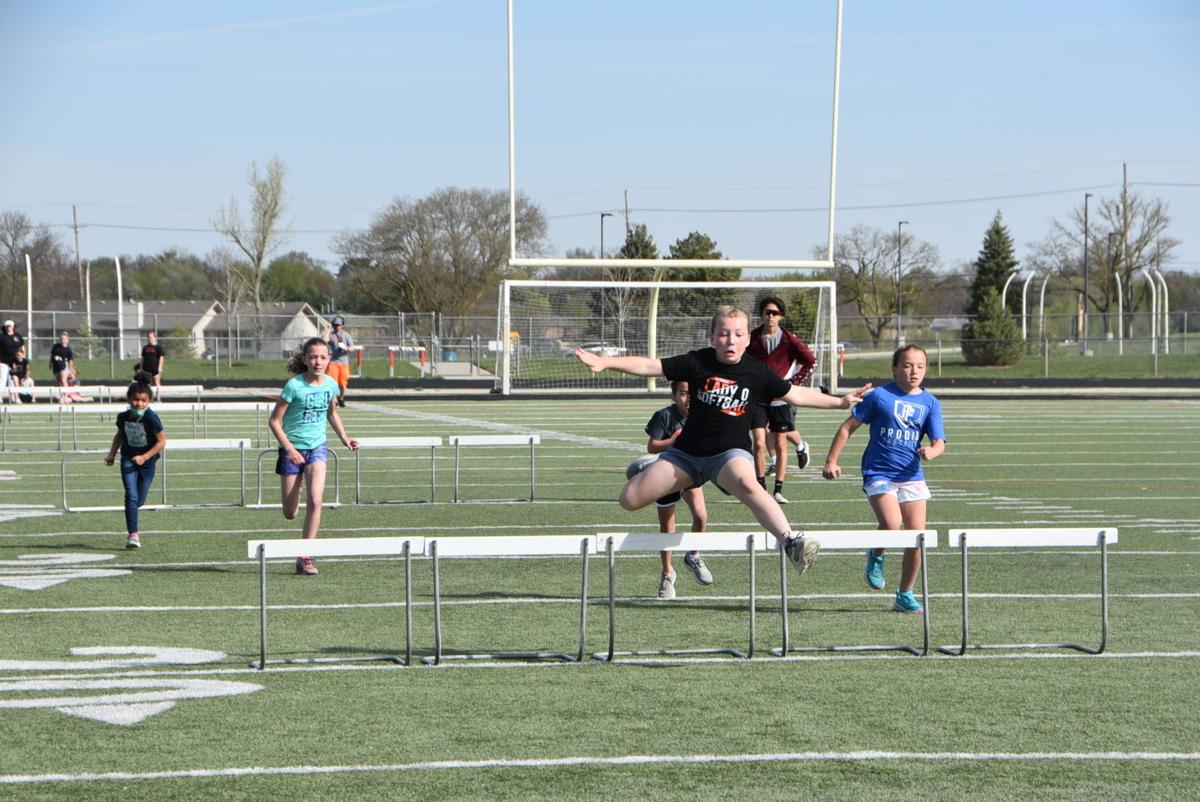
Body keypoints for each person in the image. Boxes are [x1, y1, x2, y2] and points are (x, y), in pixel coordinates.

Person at [574, 305, 871, 577]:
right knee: (629, 500)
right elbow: (651, 366)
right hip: (686, 455)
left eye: (738, 334)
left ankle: (790, 540)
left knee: (747, 484)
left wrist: (840, 402)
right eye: (724, 334)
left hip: (728, 456)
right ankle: (654, 468)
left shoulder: (757, 372)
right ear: (713, 337)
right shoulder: (697, 362)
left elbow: (796, 394)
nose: (731, 340)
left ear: (746, 339)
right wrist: (605, 362)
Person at [821, 344, 946, 614]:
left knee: (917, 538)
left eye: (920, 366)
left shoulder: (930, 402)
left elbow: (939, 441)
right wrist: (831, 460)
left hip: (911, 474)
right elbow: (846, 428)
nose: (914, 371)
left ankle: (905, 594)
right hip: (879, 472)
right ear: (894, 368)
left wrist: (932, 452)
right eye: (907, 365)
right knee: (891, 523)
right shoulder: (880, 396)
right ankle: (876, 554)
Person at [269, 337, 359, 575]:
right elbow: (274, 421)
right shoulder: (294, 386)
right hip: (292, 448)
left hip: (317, 447)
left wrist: (344, 438)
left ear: (329, 359)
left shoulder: (330, 385)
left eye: (322, 357)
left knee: (316, 500)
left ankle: (304, 556)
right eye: (313, 357)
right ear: (305, 359)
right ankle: (295, 488)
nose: (317, 361)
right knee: (290, 513)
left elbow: (331, 414)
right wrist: (289, 449)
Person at [643, 380, 712, 599]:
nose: (688, 398)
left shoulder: (701, 415)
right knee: (667, 526)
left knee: (701, 515)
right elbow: (652, 446)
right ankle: (667, 573)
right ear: (674, 396)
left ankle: (693, 555)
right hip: (666, 474)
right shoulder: (664, 416)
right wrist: (673, 441)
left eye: (691, 393)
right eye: (682, 393)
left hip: (690, 473)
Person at [747, 295, 818, 505]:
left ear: (781, 316)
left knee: (779, 442)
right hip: (758, 397)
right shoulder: (751, 338)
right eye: (767, 312)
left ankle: (778, 490)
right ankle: (759, 488)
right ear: (761, 314)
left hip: (781, 397)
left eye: (775, 313)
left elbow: (810, 361)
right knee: (759, 442)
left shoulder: (789, 339)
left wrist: (794, 382)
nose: (770, 316)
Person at [104, 373, 167, 549]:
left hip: (148, 462)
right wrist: (112, 455)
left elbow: (162, 441)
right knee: (131, 495)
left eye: (142, 400)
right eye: (135, 400)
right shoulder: (122, 417)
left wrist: (145, 457)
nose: (138, 403)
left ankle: (132, 511)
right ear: (129, 399)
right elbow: (119, 436)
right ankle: (133, 535)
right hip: (128, 459)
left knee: (139, 499)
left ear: (148, 402)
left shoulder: (151, 418)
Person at [326, 316, 354, 408]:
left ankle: (341, 398)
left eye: (338, 325)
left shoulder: (346, 335)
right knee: (333, 383)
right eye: (335, 325)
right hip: (333, 362)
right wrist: (328, 330)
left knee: (343, 383)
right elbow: (324, 339)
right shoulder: (331, 335)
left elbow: (351, 347)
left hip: (343, 362)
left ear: (342, 325)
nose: (336, 326)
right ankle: (334, 401)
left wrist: (346, 348)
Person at [0, 320, 25, 399]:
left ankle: (13, 398)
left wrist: (24, 355)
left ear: (13, 327)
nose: (8, 327)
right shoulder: (2, 336)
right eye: (7, 326)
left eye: (10, 326)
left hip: (14, 363)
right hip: (3, 362)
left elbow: (22, 346)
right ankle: (0, 398)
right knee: (2, 380)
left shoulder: (17, 336)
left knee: (13, 380)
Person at [50, 330, 75, 400]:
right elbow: (52, 356)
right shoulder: (55, 347)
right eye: (61, 339)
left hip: (63, 367)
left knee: (64, 380)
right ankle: (62, 396)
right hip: (56, 367)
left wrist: (70, 370)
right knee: (59, 382)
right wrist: (50, 364)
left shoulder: (68, 349)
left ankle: (66, 396)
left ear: (67, 340)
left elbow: (71, 360)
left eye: (64, 339)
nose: (62, 341)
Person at [140, 331, 166, 397]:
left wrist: (160, 367)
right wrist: (141, 367)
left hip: (155, 369)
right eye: (148, 337)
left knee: (157, 383)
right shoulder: (145, 348)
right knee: (148, 384)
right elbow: (143, 358)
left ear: (155, 338)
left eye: (151, 337)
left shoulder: (158, 348)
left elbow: (161, 358)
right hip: (146, 369)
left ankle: (159, 398)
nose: (149, 339)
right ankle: (149, 398)